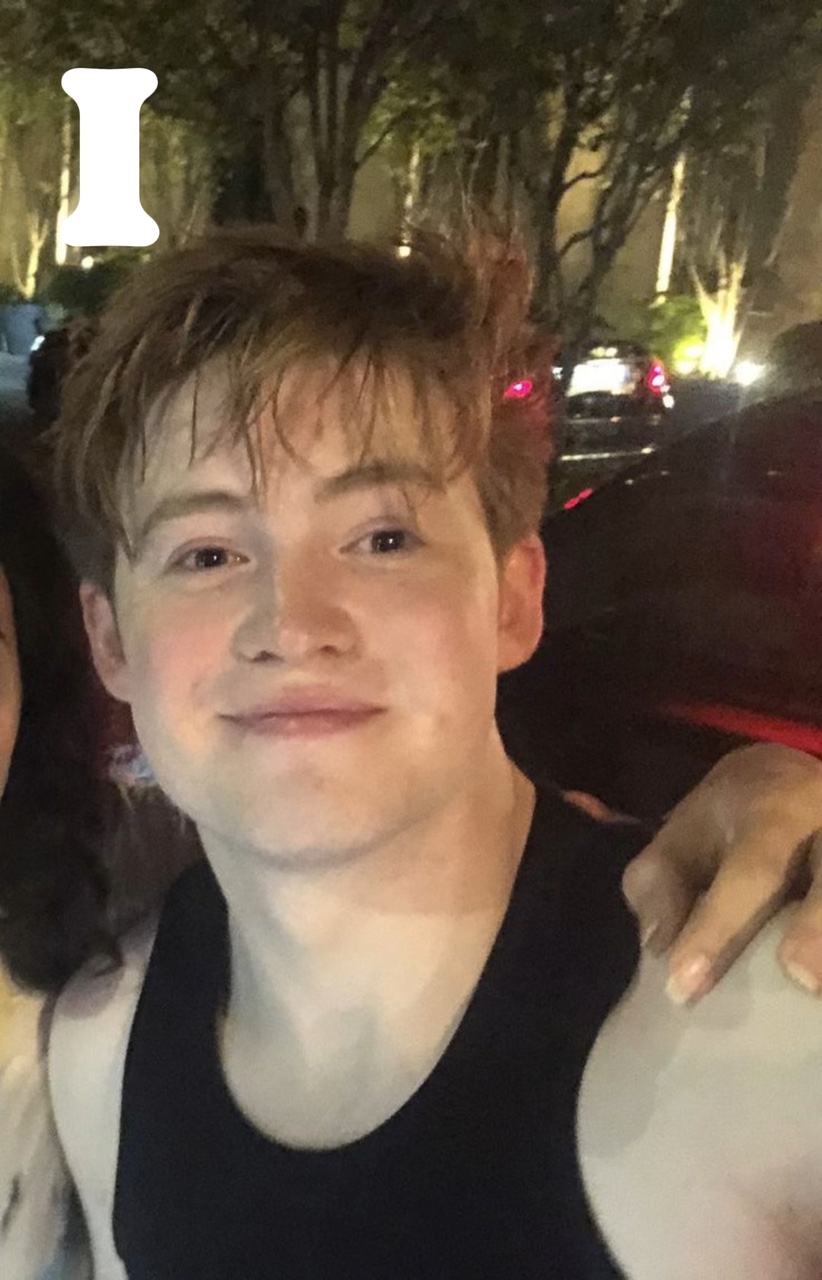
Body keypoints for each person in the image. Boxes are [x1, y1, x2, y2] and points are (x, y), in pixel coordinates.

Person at [39, 224, 822, 1278]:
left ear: (513, 598)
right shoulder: (101, 1056)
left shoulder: (761, 1030)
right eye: (208, 553)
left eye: (383, 537)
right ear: (109, 642)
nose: (292, 622)